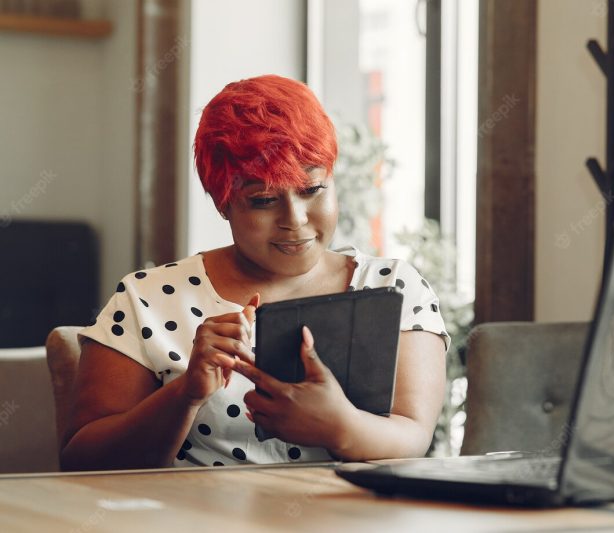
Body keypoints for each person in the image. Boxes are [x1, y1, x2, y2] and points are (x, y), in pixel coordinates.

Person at [60, 75, 449, 470]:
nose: (294, 220)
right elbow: (81, 461)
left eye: (312, 190)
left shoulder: (392, 288)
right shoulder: (148, 300)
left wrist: (339, 425)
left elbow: (414, 437)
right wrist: (186, 395)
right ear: (222, 203)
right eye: (263, 200)